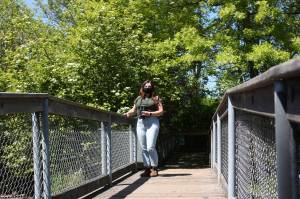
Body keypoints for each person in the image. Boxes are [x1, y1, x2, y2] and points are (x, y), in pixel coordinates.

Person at [124, 80, 164, 177]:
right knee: (143, 147)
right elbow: (134, 110)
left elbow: (161, 111)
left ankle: (154, 168)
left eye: (149, 86)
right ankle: (147, 168)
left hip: (152, 122)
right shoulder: (138, 98)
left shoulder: (156, 98)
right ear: (142, 87)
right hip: (140, 123)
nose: (147, 87)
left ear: (152, 88)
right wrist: (128, 113)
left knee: (150, 146)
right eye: (146, 86)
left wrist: (150, 113)